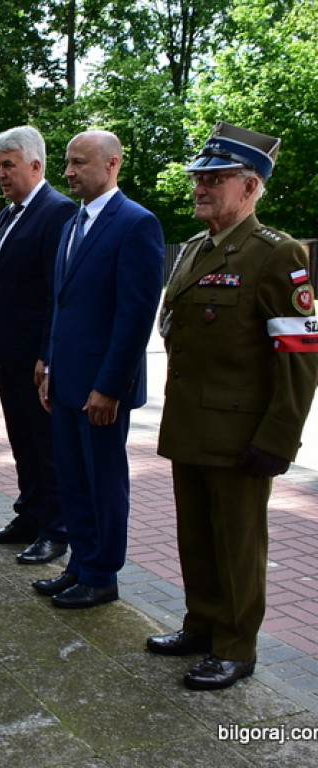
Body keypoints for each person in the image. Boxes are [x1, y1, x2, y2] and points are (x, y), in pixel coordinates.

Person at [149, 122, 318, 690]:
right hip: (190, 423)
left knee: (239, 546)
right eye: (199, 177)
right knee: (196, 538)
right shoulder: (196, 249)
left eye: (215, 178)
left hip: (241, 434)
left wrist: (278, 440)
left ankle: (236, 647)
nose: (200, 187)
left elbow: (300, 356)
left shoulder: (276, 253)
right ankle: (201, 625)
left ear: (249, 187)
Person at [36, 131, 164, 609]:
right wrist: (48, 365)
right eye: (67, 162)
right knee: (72, 479)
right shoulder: (74, 222)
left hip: (101, 389)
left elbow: (135, 316)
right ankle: (80, 565)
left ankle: (102, 575)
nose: (68, 172)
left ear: (112, 164)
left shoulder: (136, 223)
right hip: (66, 381)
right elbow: (61, 302)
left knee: (103, 482)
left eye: (79, 163)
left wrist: (110, 387)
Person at [0, 125, 77, 566]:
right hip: (8, 354)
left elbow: (57, 292)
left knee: (45, 445)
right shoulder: (8, 213)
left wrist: (47, 356)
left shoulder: (57, 211)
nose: (1, 174)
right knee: (21, 438)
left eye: (9, 165)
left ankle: (55, 530)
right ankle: (29, 516)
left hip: (36, 356)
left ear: (36, 166)